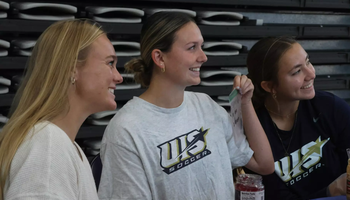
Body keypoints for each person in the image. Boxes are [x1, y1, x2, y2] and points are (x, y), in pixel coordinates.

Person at [98, 12, 274, 200]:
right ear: (159, 58)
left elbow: (264, 164)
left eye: (202, 47)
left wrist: (245, 103)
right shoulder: (126, 130)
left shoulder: (207, 106)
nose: (203, 57)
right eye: (192, 48)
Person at [0, 19, 123, 200]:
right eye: (110, 63)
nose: (119, 77)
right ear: (71, 68)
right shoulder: (48, 145)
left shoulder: (65, 146)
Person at [246, 36, 350, 199]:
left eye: (308, 62)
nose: (311, 74)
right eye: (297, 71)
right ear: (269, 86)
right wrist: (331, 190)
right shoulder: (253, 130)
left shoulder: (329, 107)